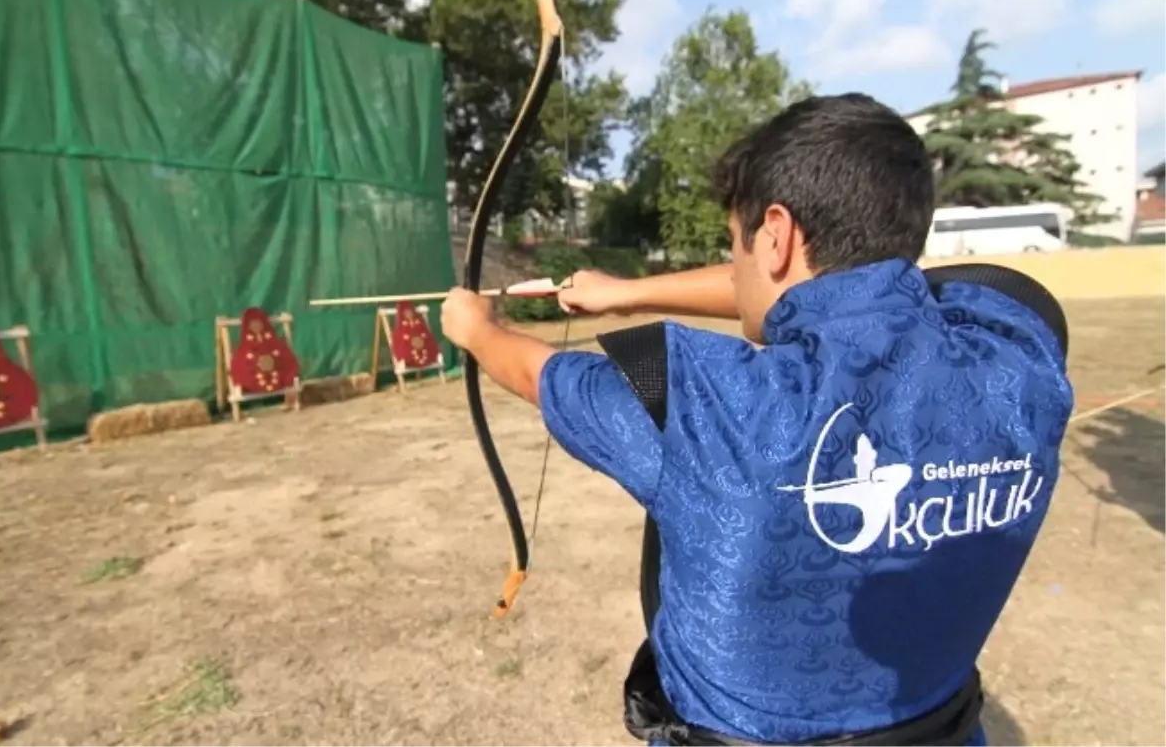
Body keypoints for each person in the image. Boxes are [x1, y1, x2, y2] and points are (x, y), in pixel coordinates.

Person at [440, 92, 1073, 747]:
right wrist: (623, 293)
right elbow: (870, 290)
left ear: (775, 234)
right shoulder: (1019, 361)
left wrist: (476, 328)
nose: (733, 263)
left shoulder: (705, 403)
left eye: (735, 243)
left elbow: (534, 372)